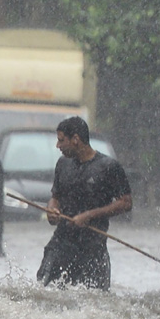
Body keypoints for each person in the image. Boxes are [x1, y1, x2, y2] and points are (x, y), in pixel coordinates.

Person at [36, 115, 132, 290]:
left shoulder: (109, 167)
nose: (57, 146)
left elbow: (125, 203)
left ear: (76, 139)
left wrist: (89, 215)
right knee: (43, 291)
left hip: (93, 247)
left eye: (61, 140)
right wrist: (52, 210)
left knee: (93, 301)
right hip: (61, 243)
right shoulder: (63, 164)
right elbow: (55, 196)